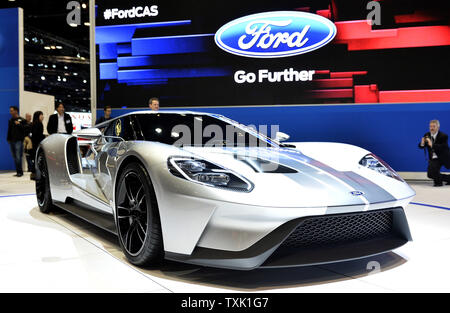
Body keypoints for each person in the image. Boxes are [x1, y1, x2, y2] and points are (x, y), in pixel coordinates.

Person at [419, 120, 450, 187]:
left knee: (434, 172)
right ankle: (448, 178)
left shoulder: (443, 136)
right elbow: (421, 146)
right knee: (430, 174)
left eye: (434, 126)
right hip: (433, 157)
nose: (431, 128)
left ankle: (438, 183)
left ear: (438, 127)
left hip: (442, 157)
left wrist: (432, 144)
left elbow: (443, 147)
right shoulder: (427, 135)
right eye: (430, 126)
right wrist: (422, 143)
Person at [7, 106, 27, 177]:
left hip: (19, 141)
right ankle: (18, 171)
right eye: (10, 111)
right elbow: (9, 131)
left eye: (12, 111)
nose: (11, 112)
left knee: (18, 156)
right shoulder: (10, 120)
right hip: (12, 141)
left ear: (16, 111)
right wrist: (8, 139)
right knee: (15, 157)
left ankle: (20, 172)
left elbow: (25, 130)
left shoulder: (22, 120)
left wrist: (19, 124)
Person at [30, 111, 46, 180]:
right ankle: (37, 175)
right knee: (38, 159)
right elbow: (37, 135)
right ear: (37, 116)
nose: (42, 116)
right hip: (37, 144)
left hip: (35, 144)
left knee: (36, 159)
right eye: (41, 115)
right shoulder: (38, 124)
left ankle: (34, 174)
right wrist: (44, 136)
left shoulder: (34, 123)